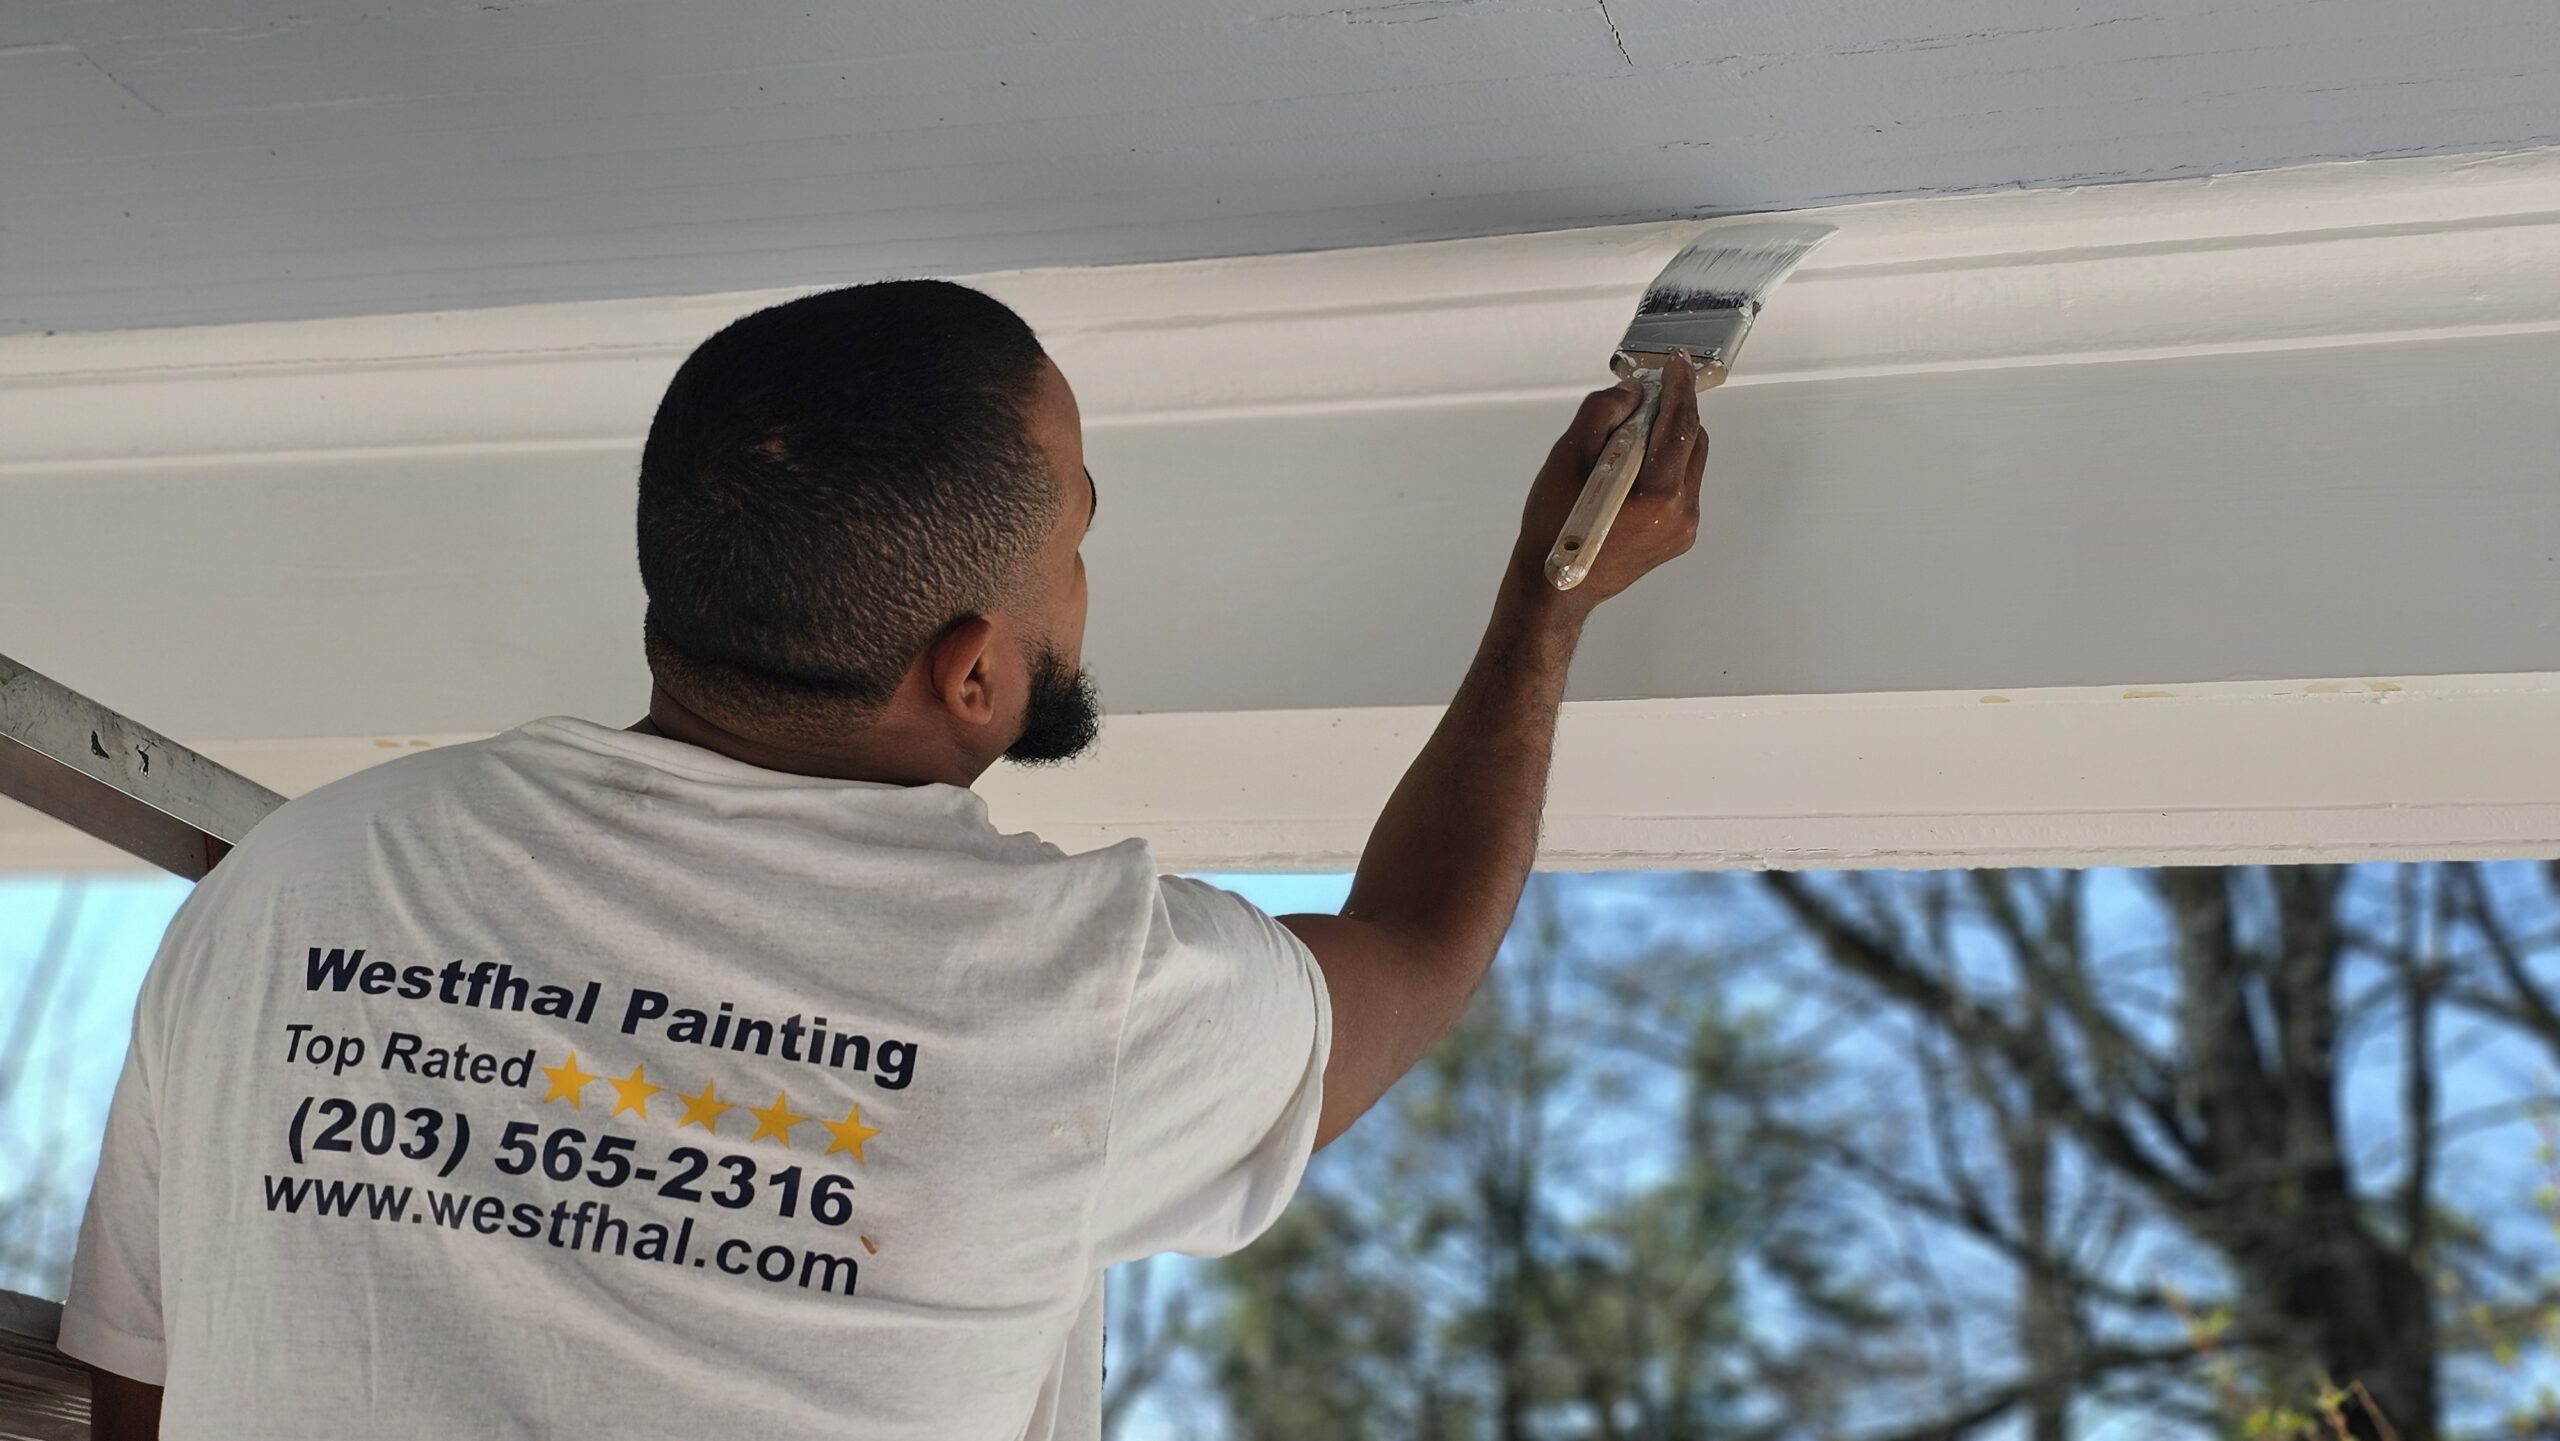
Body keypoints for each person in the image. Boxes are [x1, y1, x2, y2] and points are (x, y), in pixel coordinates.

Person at [61, 279, 1705, 1438]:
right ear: (970, 666)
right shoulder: (1076, 996)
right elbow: (1412, 951)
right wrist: (1545, 606)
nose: (1084, 576)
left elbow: (145, 1369)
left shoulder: (296, 881)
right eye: (1078, 532)